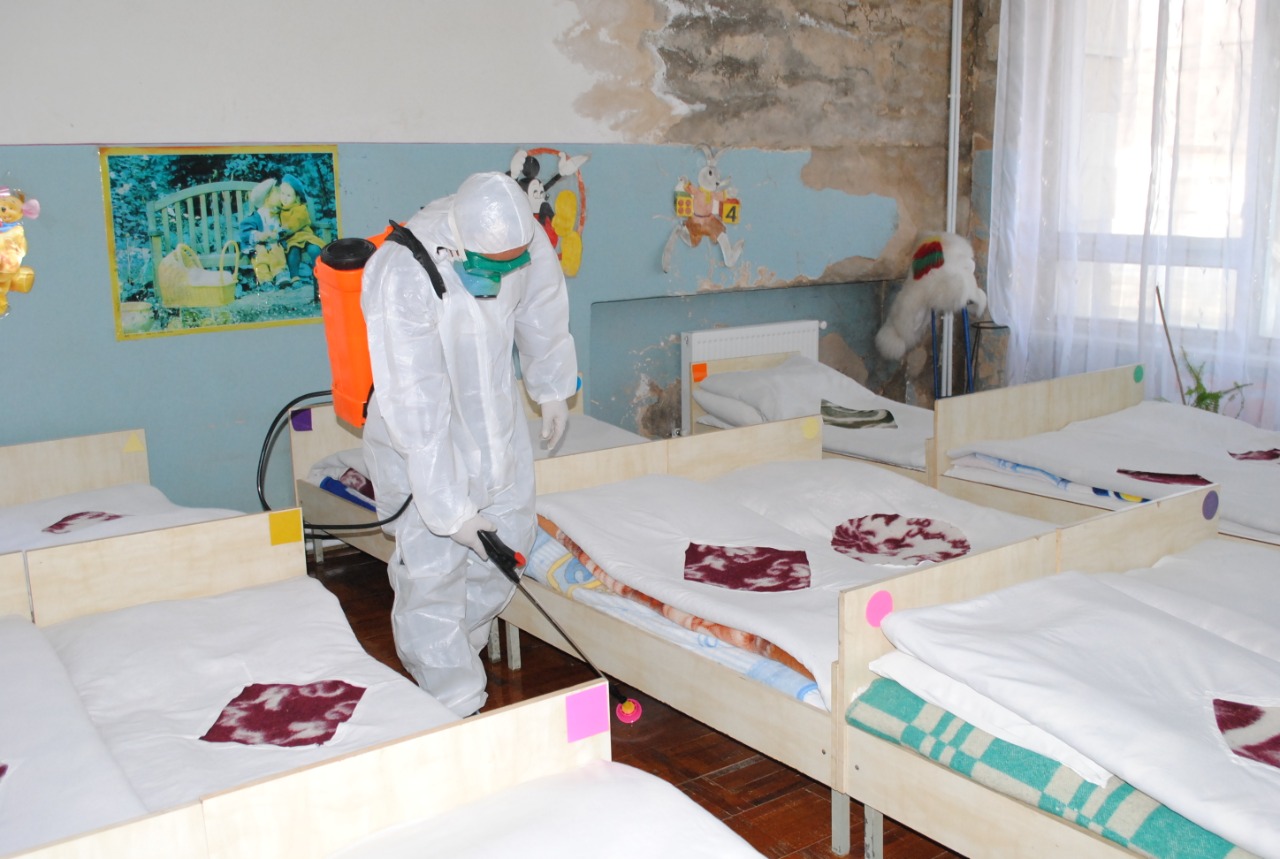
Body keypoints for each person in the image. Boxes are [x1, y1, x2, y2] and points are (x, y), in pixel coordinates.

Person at [360, 171, 577, 717]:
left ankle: (464, 651)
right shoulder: (403, 269)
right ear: (459, 242)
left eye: (511, 265)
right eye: (490, 266)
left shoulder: (522, 235)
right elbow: (418, 403)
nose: (502, 277)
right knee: (432, 572)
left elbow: (543, 308)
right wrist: (449, 510)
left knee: (507, 547)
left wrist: (552, 387)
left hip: (495, 419)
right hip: (423, 433)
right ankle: (452, 701)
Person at [276, 173, 326, 297]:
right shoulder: (278, 210)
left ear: (296, 197)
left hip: (305, 235)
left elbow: (296, 223)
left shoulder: (300, 208)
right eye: (282, 194)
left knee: (314, 249)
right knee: (293, 251)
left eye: (288, 195)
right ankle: (295, 278)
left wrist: (284, 231)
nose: (284, 198)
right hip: (291, 239)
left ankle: (320, 277)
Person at [238, 178, 288, 289]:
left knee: (276, 248)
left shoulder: (280, 214)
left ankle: (280, 274)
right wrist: (259, 235)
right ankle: (265, 280)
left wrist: (279, 233)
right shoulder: (257, 216)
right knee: (259, 253)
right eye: (277, 193)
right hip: (259, 245)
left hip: (274, 244)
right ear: (267, 198)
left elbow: (285, 229)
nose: (281, 196)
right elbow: (244, 232)